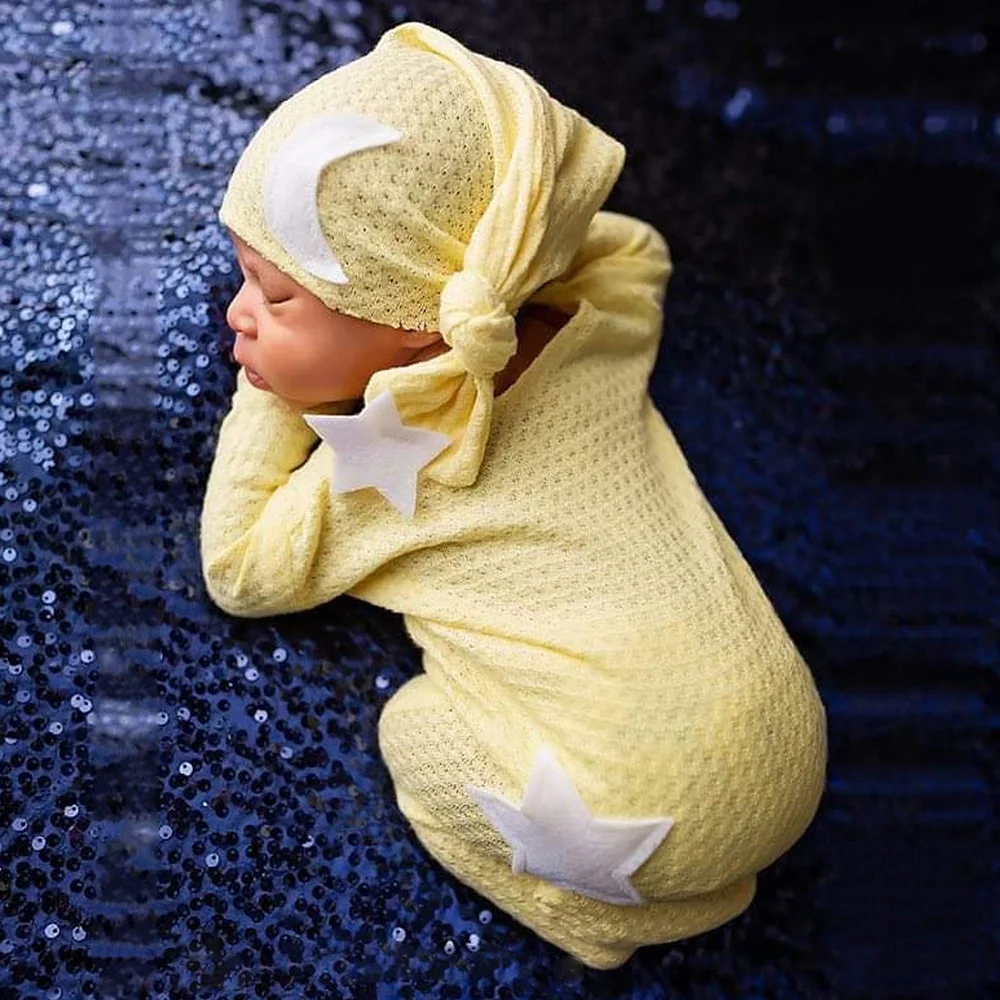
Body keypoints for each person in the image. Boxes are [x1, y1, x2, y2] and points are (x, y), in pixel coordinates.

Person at [200, 21, 828, 969]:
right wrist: (517, 254)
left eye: (275, 299)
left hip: (619, 806)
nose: (235, 314)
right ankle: (705, 876)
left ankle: (602, 922)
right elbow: (636, 248)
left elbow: (240, 570)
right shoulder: (597, 319)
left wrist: (273, 399)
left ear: (416, 329)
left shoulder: (401, 458)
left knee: (412, 731)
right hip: (791, 746)